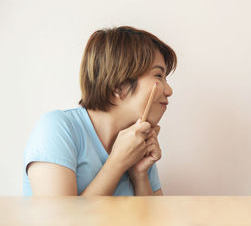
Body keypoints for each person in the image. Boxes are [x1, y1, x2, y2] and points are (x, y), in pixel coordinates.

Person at [23, 26, 177, 196]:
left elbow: (155, 221)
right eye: (158, 76)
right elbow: (60, 220)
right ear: (119, 85)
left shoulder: (137, 143)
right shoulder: (57, 128)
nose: (169, 90)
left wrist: (140, 175)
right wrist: (118, 162)